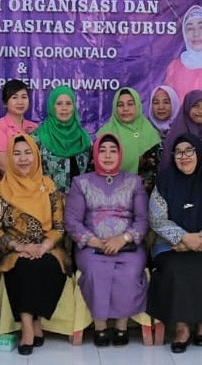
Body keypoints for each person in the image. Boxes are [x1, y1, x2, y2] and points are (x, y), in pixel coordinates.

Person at [147, 133, 202, 354]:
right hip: (170, 245)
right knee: (175, 270)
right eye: (178, 152)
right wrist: (185, 238)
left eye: (189, 151)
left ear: (198, 152)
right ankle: (182, 327)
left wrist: (199, 239)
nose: (184, 156)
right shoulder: (164, 182)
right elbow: (156, 219)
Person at [64, 133, 148, 347]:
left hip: (128, 246)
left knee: (130, 272)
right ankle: (100, 327)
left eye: (113, 151)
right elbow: (72, 221)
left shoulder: (134, 182)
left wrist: (123, 238)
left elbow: (142, 220)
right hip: (91, 247)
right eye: (102, 151)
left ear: (120, 154)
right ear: (95, 155)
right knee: (96, 271)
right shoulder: (81, 183)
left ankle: (121, 326)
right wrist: (93, 241)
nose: (108, 156)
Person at [0, 134, 70, 356]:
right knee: (23, 268)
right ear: (9, 158)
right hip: (15, 249)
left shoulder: (48, 186)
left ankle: (37, 321)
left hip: (47, 246)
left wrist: (43, 247)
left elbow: (59, 226)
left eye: (27, 153)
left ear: (36, 156)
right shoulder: (2, 189)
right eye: (17, 154)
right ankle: (27, 327)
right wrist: (19, 247)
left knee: (47, 266)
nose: (23, 159)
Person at [96, 87, 162, 191]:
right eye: (120, 105)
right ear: (114, 108)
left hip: (143, 194)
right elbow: (95, 172)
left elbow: (155, 173)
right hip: (109, 194)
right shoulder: (104, 134)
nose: (125, 109)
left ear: (138, 106)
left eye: (130, 104)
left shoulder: (150, 134)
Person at [32, 85, 92, 193]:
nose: (64, 108)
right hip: (48, 201)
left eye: (68, 103)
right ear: (52, 107)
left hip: (80, 200)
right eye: (59, 103)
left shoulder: (84, 138)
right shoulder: (38, 138)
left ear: (74, 107)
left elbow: (91, 174)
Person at [0, 79, 38, 175]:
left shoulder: (34, 127)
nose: (20, 102)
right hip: (10, 180)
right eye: (14, 97)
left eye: (24, 97)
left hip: (34, 179)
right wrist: (23, 179)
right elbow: (1, 164)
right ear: (5, 103)